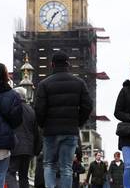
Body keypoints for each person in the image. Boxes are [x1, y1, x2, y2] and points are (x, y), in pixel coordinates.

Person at [34, 51, 93, 188]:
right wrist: (78, 122)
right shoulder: (79, 83)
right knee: (67, 167)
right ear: (68, 64)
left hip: (50, 132)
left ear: (52, 65)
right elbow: (88, 106)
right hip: (70, 131)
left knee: (49, 164)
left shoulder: (44, 84)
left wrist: (43, 125)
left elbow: (39, 109)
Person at [6, 87, 42, 188]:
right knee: (23, 176)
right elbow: (36, 132)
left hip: (15, 147)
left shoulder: (11, 109)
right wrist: (36, 150)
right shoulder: (31, 110)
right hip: (28, 150)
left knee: (10, 173)